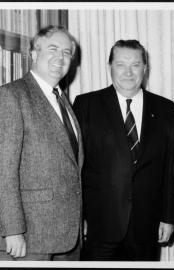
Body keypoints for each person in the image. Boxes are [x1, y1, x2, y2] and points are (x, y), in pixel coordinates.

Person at [73, 39, 174, 261]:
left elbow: (170, 168)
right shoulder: (86, 105)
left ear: (145, 68)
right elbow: (76, 167)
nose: (128, 72)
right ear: (110, 67)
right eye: (121, 64)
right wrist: (78, 216)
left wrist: (168, 217)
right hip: (98, 225)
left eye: (135, 64)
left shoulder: (166, 109)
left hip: (146, 226)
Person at [0, 25, 83, 260]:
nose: (61, 57)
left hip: (66, 234)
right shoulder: (11, 96)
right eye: (53, 49)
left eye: (67, 52)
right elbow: (3, 171)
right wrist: (13, 230)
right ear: (34, 54)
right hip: (30, 235)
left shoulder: (62, 99)